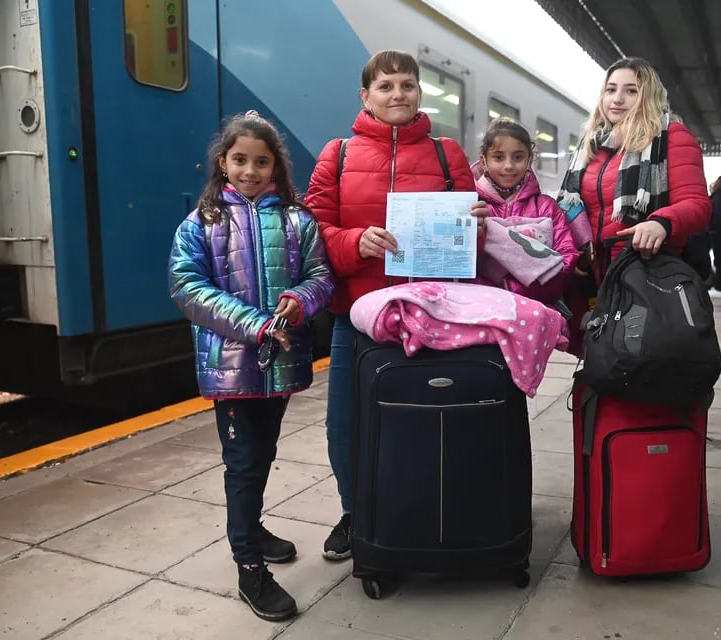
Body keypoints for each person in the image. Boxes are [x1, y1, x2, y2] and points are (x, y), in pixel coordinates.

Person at [304, 50, 487, 562]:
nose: (397, 94)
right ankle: (354, 514)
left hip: (428, 313)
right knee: (346, 423)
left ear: (419, 93)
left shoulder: (448, 154)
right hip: (358, 314)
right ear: (366, 96)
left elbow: (472, 236)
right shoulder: (336, 155)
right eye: (385, 86)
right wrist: (353, 242)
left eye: (407, 84)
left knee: (427, 417)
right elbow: (312, 231)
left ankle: (421, 510)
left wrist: (476, 222)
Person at [168, 111, 334, 621]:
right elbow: (187, 287)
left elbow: (321, 275)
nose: (250, 170)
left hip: (278, 368)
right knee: (242, 463)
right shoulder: (201, 222)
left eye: (261, 162)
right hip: (233, 369)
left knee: (262, 453)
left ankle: (253, 527)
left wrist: (300, 300)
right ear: (223, 163)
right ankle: (248, 566)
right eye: (240, 160)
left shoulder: (297, 220)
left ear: (275, 168)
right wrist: (257, 323)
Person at [557, 56, 709, 301]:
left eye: (631, 91)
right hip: (590, 276)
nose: (617, 99)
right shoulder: (590, 145)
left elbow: (697, 204)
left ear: (648, 96)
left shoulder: (671, 136)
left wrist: (661, 223)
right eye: (611, 89)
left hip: (643, 274)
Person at [472, 118, 579, 303]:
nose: (509, 166)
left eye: (518, 157)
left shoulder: (547, 207)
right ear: (484, 161)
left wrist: (514, 290)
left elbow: (566, 259)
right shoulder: (474, 206)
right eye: (498, 157)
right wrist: (491, 293)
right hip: (481, 305)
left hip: (533, 305)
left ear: (529, 159)